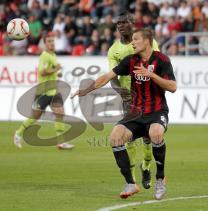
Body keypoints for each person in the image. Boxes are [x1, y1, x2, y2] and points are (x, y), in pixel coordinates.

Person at [72, 28, 177, 200]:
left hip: (157, 111)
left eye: (136, 39)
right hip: (136, 113)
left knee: (156, 133)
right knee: (115, 136)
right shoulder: (130, 60)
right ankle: (130, 183)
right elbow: (107, 76)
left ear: (147, 41)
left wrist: (151, 75)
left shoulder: (162, 60)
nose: (132, 42)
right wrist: (86, 90)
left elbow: (173, 87)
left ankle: (159, 179)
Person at [107, 11, 159, 189]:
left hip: (148, 97)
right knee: (127, 137)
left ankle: (146, 165)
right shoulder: (114, 50)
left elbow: (158, 64)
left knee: (147, 137)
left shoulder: (145, 42)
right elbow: (112, 75)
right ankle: (132, 180)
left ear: (132, 23)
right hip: (129, 98)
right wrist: (120, 90)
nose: (120, 26)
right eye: (118, 23)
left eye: (124, 22)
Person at [14, 33, 74, 150]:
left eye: (53, 41)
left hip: (54, 90)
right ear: (45, 43)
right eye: (49, 41)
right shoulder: (44, 56)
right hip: (43, 92)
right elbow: (42, 72)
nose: (52, 43)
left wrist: (58, 73)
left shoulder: (53, 55)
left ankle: (61, 142)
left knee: (60, 113)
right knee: (35, 116)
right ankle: (18, 133)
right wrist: (55, 69)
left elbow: (52, 71)